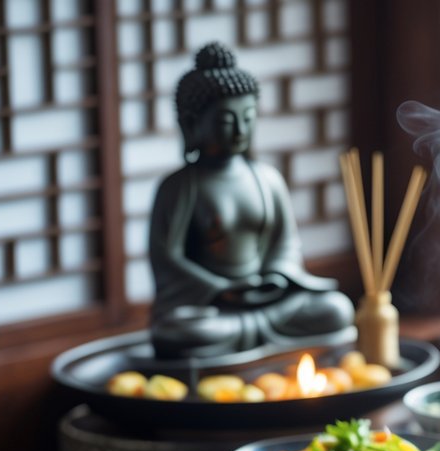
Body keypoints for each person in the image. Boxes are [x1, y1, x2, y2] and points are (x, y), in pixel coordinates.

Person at [148, 42, 354, 359]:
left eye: (248, 117)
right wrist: (220, 289)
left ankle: (254, 337)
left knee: (335, 309)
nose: (240, 130)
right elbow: (166, 259)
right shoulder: (180, 187)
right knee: (179, 332)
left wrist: (275, 277)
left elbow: (285, 244)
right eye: (226, 121)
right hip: (214, 308)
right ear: (192, 124)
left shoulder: (267, 178)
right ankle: (250, 338)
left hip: (266, 300)